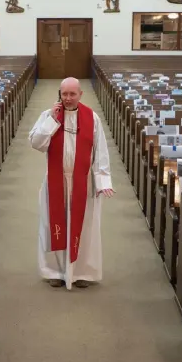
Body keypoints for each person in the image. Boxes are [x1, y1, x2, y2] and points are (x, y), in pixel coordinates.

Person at [29, 77, 115, 290]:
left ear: (80, 94)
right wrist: (52, 120)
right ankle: (55, 271)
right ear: (60, 93)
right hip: (55, 181)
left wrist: (102, 179)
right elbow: (36, 143)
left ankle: (83, 272)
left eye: (72, 94)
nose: (67, 98)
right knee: (53, 225)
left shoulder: (91, 118)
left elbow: (100, 150)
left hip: (82, 181)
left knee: (84, 227)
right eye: (64, 94)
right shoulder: (48, 115)